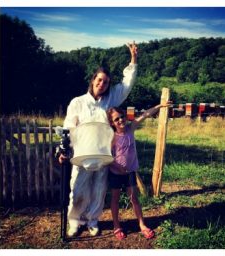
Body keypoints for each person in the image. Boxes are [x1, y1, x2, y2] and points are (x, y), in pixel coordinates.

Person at [59, 41, 139, 237]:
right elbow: (68, 128)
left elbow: (127, 85)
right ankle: (75, 222)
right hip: (82, 155)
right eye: (100, 80)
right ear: (93, 79)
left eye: (106, 82)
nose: (102, 84)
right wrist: (62, 150)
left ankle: (93, 220)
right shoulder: (78, 102)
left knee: (99, 190)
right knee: (78, 190)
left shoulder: (111, 100)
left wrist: (133, 60)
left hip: (103, 155)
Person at [107, 104, 167, 240]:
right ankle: (116, 226)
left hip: (130, 172)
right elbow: (106, 156)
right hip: (116, 174)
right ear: (112, 122)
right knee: (115, 199)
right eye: (117, 119)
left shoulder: (130, 128)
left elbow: (145, 115)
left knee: (134, 198)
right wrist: (116, 167)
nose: (121, 120)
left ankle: (142, 224)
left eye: (122, 117)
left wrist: (160, 106)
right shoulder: (111, 137)